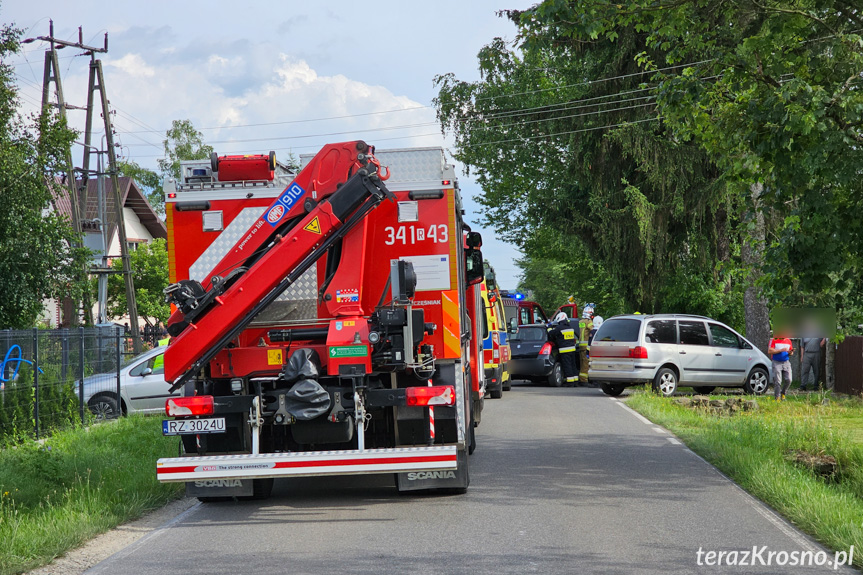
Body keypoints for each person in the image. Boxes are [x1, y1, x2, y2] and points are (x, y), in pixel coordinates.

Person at [548, 316, 578, 386]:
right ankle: (575, 381)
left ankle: (570, 382)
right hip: (572, 349)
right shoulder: (570, 327)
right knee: (573, 365)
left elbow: (551, 333)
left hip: (565, 350)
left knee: (567, 366)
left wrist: (549, 328)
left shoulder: (559, 328)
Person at [768, 333, 794, 400]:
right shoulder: (774, 340)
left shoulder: (788, 341)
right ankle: (777, 397)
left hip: (786, 362)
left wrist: (790, 352)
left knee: (789, 379)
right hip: (776, 362)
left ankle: (783, 393)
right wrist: (780, 350)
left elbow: (791, 352)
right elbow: (770, 351)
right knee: (778, 381)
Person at [578, 306, 594, 386]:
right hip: (586, 346)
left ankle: (582, 379)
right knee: (585, 364)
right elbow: (594, 330)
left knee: (582, 363)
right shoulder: (589, 322)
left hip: (581, 345)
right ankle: (584, 381)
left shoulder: (581, 321)